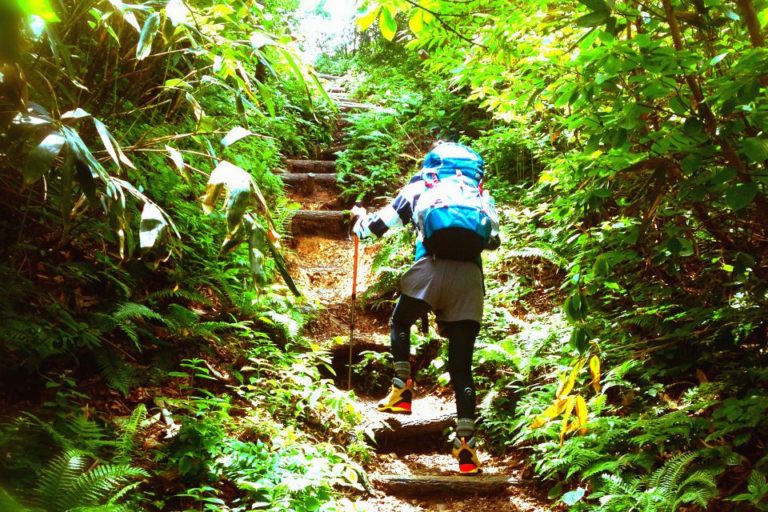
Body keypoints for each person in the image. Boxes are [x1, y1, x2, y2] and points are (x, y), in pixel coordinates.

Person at [351, 141, 500, 474]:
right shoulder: (479, 195)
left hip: (430, 270)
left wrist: (359, 221)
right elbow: (493, 240)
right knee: (462, 368)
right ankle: (466, 449)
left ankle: (402, 390)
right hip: (469, 281)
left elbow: (380, 226)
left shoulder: (422, 185)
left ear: (433, 162)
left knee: (400, 323)